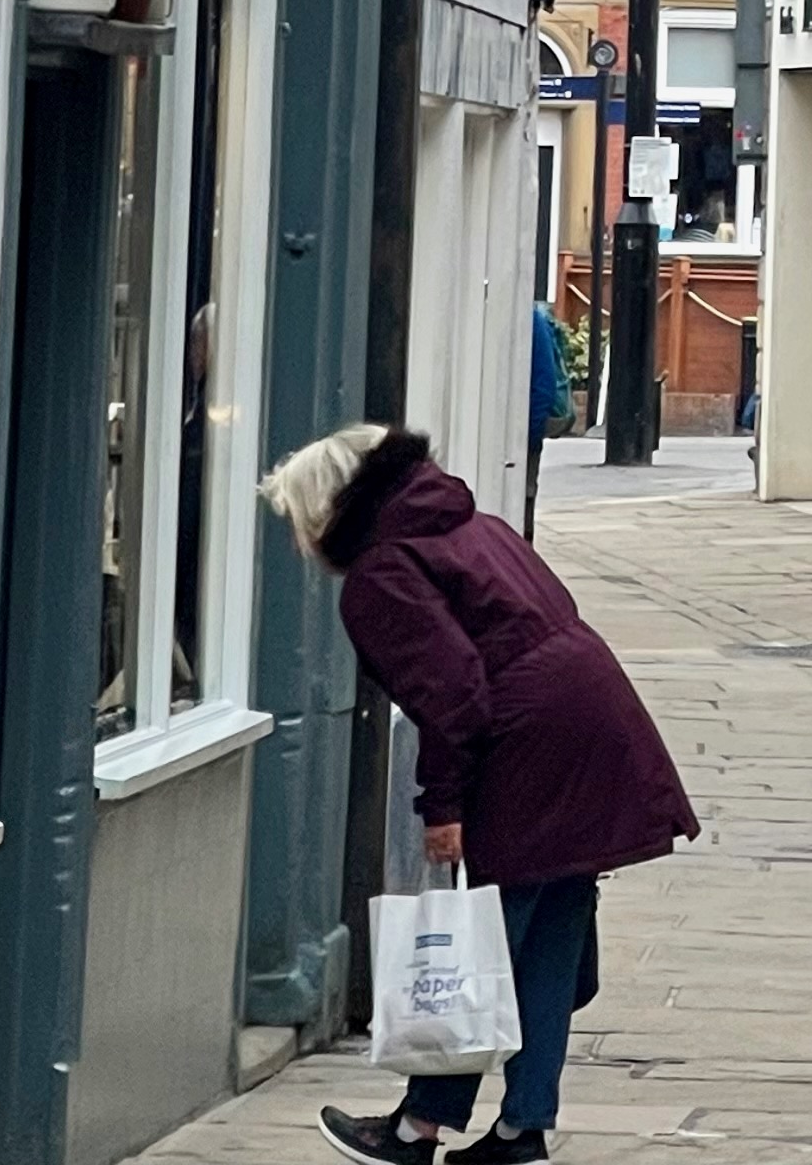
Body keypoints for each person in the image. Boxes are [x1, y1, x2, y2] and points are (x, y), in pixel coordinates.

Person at [265, 421, 697, 1165]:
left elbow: (452, 694)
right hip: (593, 714)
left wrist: (444, 807)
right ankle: (522, 1128)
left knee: (483, 943)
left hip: (527, 743)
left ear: (324, 509)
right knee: (550, 933)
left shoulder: (382, 573)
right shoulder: (474, 526)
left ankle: (418, 1129)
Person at [522, 305, 572, 541]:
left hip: (524, 436)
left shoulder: (531, 321)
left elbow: (544, 387)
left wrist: (529, 438)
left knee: (523, 500)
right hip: (523, 433)